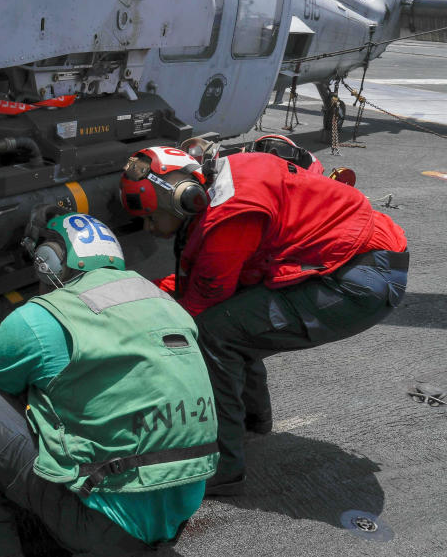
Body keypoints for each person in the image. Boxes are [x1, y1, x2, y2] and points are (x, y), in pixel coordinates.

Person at [0, 209, 218, 557]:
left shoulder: (38, 319)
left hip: (104, 528)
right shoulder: (161, 300)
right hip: (175, 512)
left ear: (50, 260)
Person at [120, 143, 408, 496]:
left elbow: (200, 304)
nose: (150, 228)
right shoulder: (228, 182)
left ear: (184, 198)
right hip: (367, 263)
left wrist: (131, 317)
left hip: (356, 279)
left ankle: (222, 468)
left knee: (214, 334)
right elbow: (212, 281)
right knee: (240, 318)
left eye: (151, 217)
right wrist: (142, 291)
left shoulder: (229, 215)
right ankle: (252, 421)